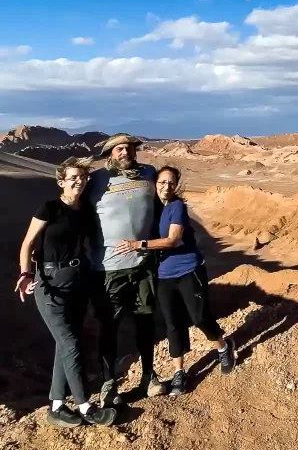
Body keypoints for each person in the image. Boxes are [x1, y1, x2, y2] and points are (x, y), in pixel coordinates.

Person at [115, 165, 235, 396]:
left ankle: (223, 346)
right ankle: (179, 372)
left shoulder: (177, 207)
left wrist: (137, 245)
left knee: (199, 317)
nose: (166, 187)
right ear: (155, 184)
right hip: (163, 275)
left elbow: (173, 240)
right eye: (162, 182)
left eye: (171, 183)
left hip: (188, 269)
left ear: (176, 185)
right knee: (173, 323)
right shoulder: (152, 209)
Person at [15, 158, 116, 427]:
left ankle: (57, 405)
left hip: (78, 282)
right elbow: (28, 244)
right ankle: (85, 406)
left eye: (82, 177)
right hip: (50, 283)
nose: (78, 181)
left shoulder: (84, 210)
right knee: (72, 344)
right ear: (61, 181)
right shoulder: (49, 208)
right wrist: (25, 275)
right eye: (73, 177)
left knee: (66, 344)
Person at [86, 133, 168, 405]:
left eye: (129, 148)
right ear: (110, 153)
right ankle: (109, 384)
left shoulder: (148, 173)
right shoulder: (96, 180)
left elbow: (160, 208)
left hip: (143, 263)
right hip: (109, 267)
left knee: (146, 320)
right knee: (110, 324)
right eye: (119, 148)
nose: (125, 152)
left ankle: (148, 375)